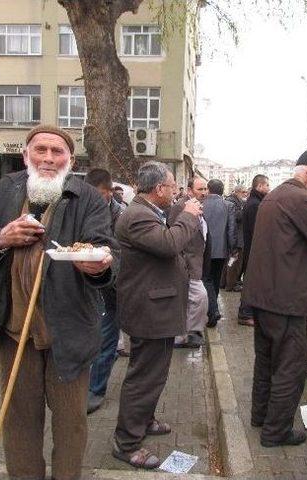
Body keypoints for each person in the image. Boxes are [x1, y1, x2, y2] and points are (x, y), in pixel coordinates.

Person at [0, 125, 116, 480]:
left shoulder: (88, 198)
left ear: (70, 160)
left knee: (70, 424)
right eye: (41, 150)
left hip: (68, 331)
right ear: (26, 155)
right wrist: (0, 238)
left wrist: (96, 265)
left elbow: (107, 250)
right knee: (18, 420)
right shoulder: (4, 191)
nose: (48, 158)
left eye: (57, 152)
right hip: (14, 330)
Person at [242, 150, 307, 448]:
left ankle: (261, 417)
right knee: (290, 368)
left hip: (265, 296)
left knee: (266, 362)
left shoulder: (277, 195)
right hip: (286, 300)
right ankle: (276, 432)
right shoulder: (300, 199)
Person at [113, 161, 202, 469]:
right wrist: (189, 217)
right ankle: (126, 443)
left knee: (154, 374)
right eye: (172, 187)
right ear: (159, 189)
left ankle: (145, 419)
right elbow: (169, 245)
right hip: (149, 311)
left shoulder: (146, 211)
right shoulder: (137, 215)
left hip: (157, 308)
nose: (176, 192)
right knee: (144, 378)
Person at [84, 168, 124, 414]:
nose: (94, 199)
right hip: (88, 287)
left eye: (98, 195)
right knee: (94, 339)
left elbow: (123, 255)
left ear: (109, 193)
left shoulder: (121, 217)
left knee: (106, 340)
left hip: (113, 288)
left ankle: (95, 389)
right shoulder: (83, 210)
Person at [168, 176, 211, 349]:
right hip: (185, 263)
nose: (204, 192)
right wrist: (181, 261)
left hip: (196, 262)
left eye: (205, 189)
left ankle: (185, 335)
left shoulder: (198, 206)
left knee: (190, 299)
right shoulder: (181, 207)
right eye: (200, 189)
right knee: (200, 297)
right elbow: (174, 235)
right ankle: (189, 333)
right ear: (189, 190)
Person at [202, 179, 236, 327]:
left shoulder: (200, 204)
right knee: (214, 280)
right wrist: (232, 249)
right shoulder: (228, 206)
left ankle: (212, 311)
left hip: (203, 249)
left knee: (206, 280)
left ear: (208, 189)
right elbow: (231, 230)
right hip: (221, 250)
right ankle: (213, 309)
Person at [237, 174, 270, 326]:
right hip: (254, 250)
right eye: (267, 186)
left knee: (252, 282)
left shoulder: (254, 202)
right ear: (260, 186)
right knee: (251, 283)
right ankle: (245, 313)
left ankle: (248, 312)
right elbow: (259, 230)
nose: (269, 189)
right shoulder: (255, 204)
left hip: (252, 249)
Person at [223, 185, 247, 292]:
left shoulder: (237, 201)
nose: (245, 194)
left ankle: (228, 283)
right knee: (233, 263)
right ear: (238, 192)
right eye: (243, 192)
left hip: (237, 237)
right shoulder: (231, 201)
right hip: (235, 239)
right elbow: (236, 217)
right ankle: (230, 285)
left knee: (232, 263)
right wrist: (244, 209)